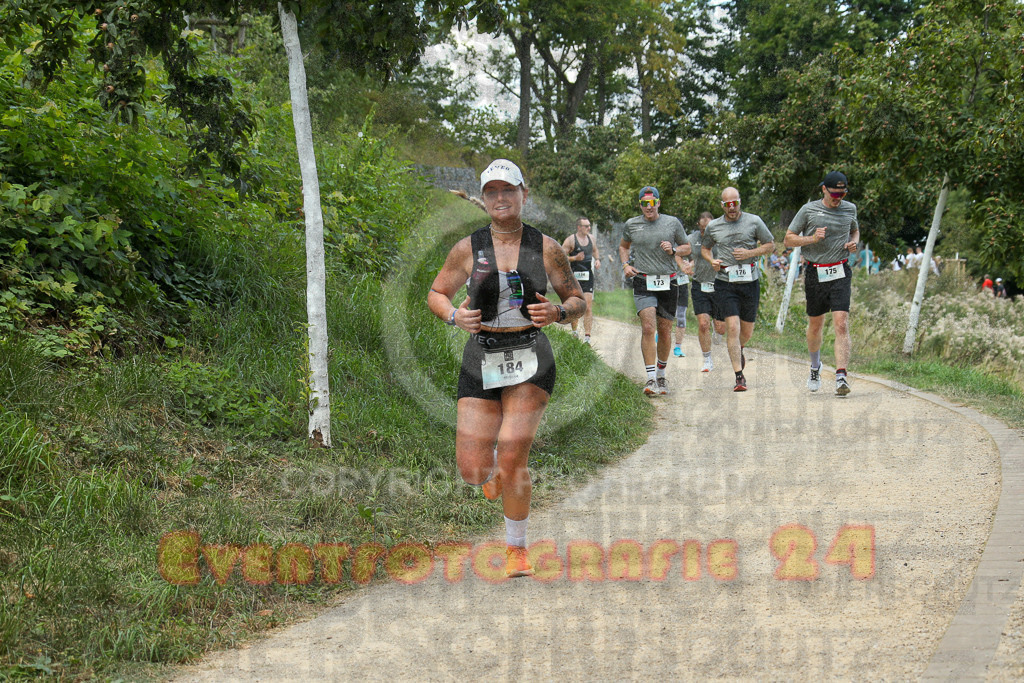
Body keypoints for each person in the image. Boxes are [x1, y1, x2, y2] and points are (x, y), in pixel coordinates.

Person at [427, 159, 585, 578]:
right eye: (492, 191)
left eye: (508, 190)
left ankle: (517, 549)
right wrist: (452, 317)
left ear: (523, 195)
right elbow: (437, 292)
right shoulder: (467, 248)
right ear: (484, 198)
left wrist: (558, 311)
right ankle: (496, 464)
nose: (501, 197)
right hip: (481, 355)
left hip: (531, 354)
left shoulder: (547, 247)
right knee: (473, 469)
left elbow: (577, 299)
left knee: (515, 453)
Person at [784, 171, 860, 397]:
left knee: (841, 323)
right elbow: (788, 239)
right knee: (815, 325)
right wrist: (812, 239)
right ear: (824, 190)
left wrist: (853, 243)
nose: (839, 198)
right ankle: (815, 367)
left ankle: (841, 376)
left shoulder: (850, 208)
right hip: (815, 272)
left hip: (840, 270)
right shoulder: (809, 210)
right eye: (835, 193)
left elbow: (854, 229)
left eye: (843, 193)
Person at [701, 187, 776, 392]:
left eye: (735, 203)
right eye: (728, 205)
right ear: (722, 205)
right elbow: (705, 248)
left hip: (750, 281)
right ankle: (739, 376)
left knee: (747, 330)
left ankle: (739, 348)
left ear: (740, 202)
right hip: (725, 282)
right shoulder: (714, 226)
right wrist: (712, 260)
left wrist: (750, 252)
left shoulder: (754, 221)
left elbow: (770, 245)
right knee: (732, 327)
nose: (732, 208)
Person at [619, 186, 690, 396]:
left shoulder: (672, 223)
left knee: (665, 331)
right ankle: (650, 379)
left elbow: (687, 247)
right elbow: (623, 246)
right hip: (643, 280)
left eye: (652, 203)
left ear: (658, 203)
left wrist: (675, 250)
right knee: (649, 327)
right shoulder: (631, 224)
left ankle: (661, 375)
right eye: (644, 203)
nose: (648, 207)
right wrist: (625, 265)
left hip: (668, 281)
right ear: (640, 205)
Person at [687, 211, 725, 372]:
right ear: (698, 227)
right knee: (703, 324)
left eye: (708, 228)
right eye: (702, 229)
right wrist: (685, 264)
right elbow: (681, 253)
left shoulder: (721, 238)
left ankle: (719, 333)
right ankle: (707, 359)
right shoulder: (691, 239)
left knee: (720, 327)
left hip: (720, 285)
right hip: (699, 285)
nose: (705, 232)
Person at [562, 216, 600, 343]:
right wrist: (574, 258)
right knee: (576, 306)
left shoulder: (591, 239)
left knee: (588, 307)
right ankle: (574, 332)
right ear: (579, 227)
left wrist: (598, 260)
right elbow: (561, 256)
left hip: (588, 276)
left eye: (589, 225)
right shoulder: (571, 240)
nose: (589, 228)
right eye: (586, 226)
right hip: (573, 277)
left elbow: (595, 250)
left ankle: (587, 338)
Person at [673, 241, 695, 357]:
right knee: (666, 315)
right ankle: (660, 333)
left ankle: (678, 347)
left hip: (682, 284)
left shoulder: (686, 245)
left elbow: (694, 259)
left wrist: (689, 264)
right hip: (667, 283)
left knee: (681, 316)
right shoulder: (664, 243)